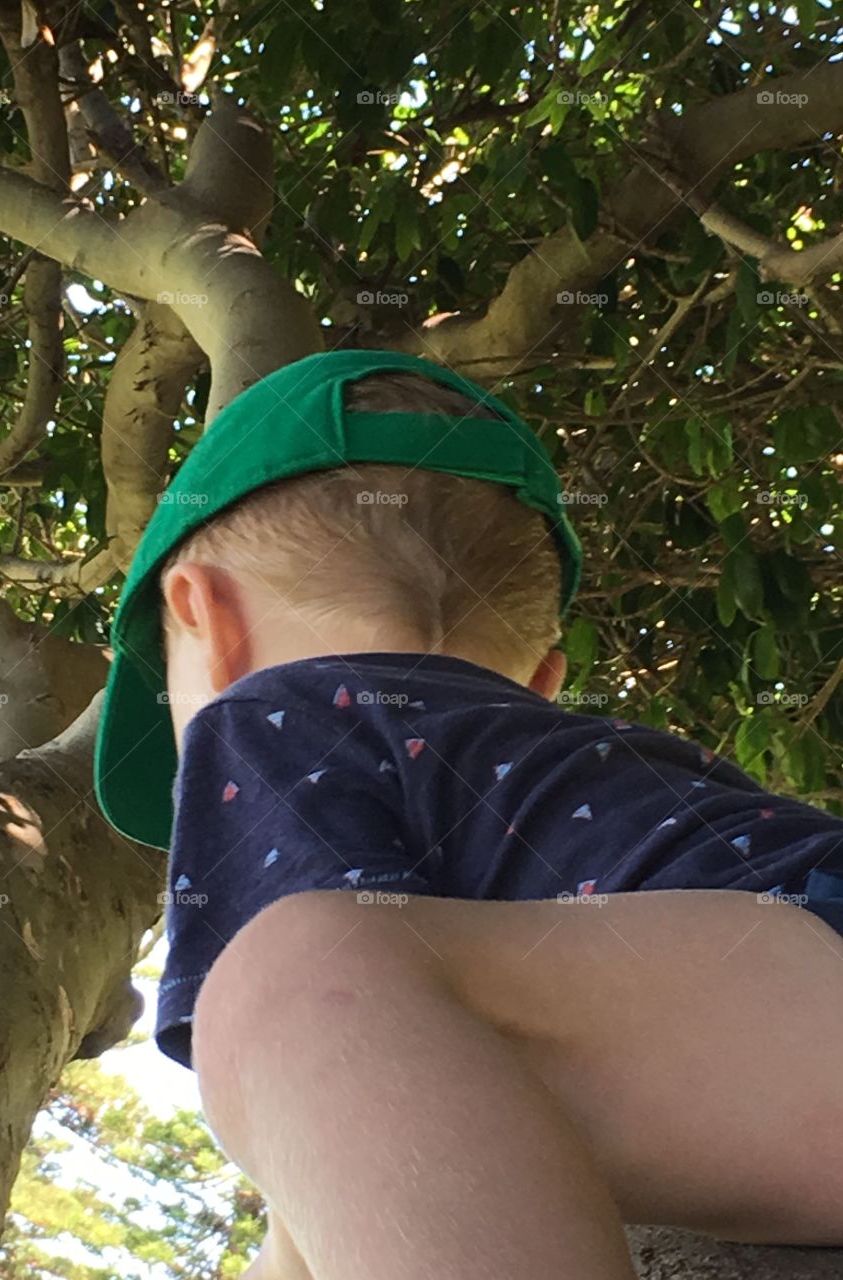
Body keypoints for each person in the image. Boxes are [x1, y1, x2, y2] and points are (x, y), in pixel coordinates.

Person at [95, 350, 843, 1280]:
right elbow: (366, 1139)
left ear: (207, 621)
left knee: (285, 979)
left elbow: (321, 1039)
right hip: (801, 981)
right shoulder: (602, 778)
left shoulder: (269, 713)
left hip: (802, 975)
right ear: (541, 679)